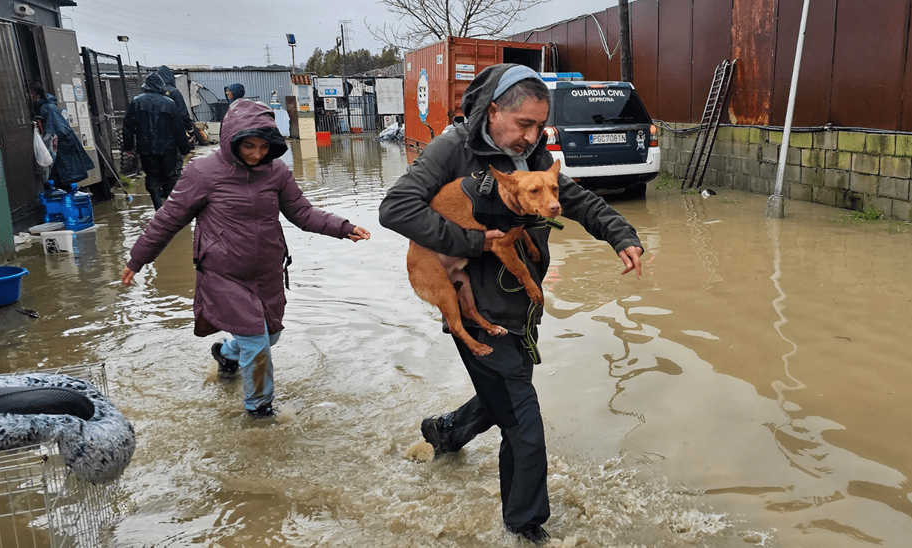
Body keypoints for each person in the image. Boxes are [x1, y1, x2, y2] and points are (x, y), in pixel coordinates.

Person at [378, 64, 643, 544]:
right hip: (478, 310)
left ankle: (445, 432)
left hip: (521, 308)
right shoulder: (452, 149)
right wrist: (473, 243)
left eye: (540, 125)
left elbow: (577, 199)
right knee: (524, 424)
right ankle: (524, 526)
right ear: (493, 109)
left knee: (503, 398)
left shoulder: (532, 154)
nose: (533, 135)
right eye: (524, 124)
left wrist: (621, 235)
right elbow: (395, 207)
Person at [120, 99, 370, 418]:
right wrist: (136, 259)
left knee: (271, 333)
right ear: (231, 140)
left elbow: (303, 213)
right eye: (248, 145)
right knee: (255, 341)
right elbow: (167, 219)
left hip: (267, 274)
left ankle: (225, 354)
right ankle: (259, 411)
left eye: (264, 146)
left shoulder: (276, 172)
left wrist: (342, 227)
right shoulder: (203, 173)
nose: (256, 154)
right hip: (224, 276)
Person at [122, 72, 192, 210]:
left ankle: (158, 210)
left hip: (146, 148)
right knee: (170, 178)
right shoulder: (170, 103)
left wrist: (128, 147)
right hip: (168, 149)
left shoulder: (136, 102)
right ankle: (170, 212)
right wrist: (184, 150)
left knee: (152, 178)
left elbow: (128, 126)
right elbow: (178, 128)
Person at [29, 81, 95, 192]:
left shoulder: (47, 108)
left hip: (62, 150)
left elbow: (55, 131)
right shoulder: (45, 107)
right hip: (61, 149)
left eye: (29, 93)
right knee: (63, 183)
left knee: (64, 183)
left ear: (36, 94)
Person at [156, 65, 195, 184]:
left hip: (155, 135)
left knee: (159, 165)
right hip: (172, 134)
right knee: (176, 163)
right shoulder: (174, 92)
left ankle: (162, 190)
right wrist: (190, 130)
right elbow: (183, 113)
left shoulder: (151, 94)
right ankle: (175, 191)